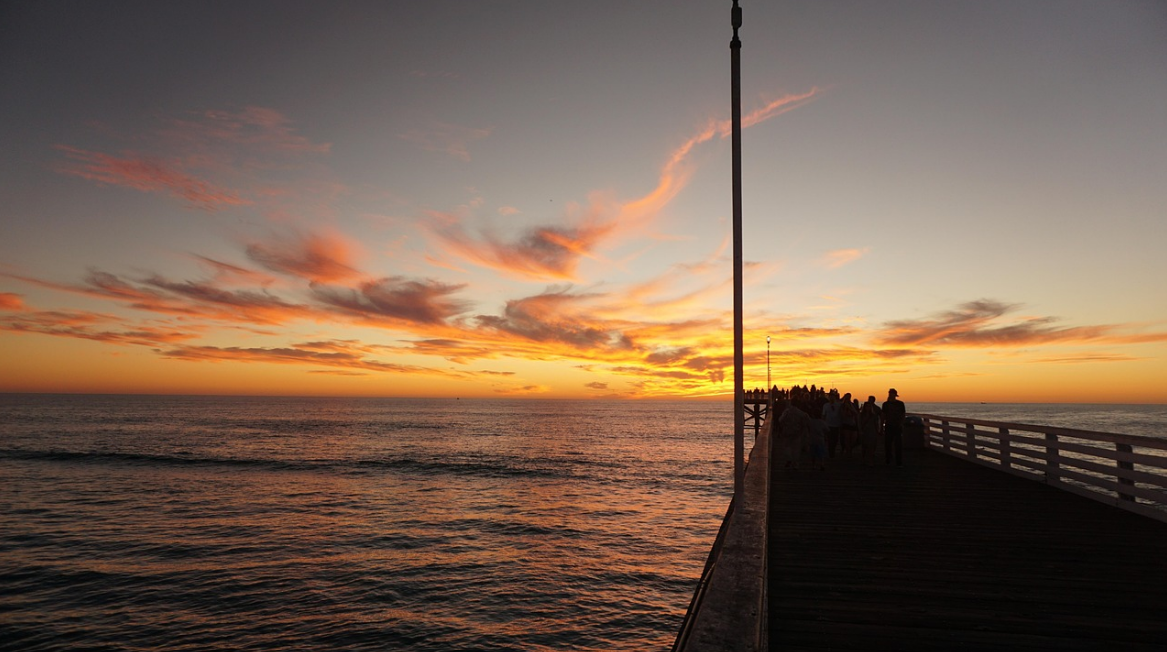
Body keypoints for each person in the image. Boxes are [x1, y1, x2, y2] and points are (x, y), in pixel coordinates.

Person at [882, 388, 906, 466]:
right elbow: (883, 415)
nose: (891, 395)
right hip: (889, 425)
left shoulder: (900, 404)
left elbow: (903, 414)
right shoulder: (885, 404)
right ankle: (888, 459)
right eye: (890, 393)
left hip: (897, 425)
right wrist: (882, 426)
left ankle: (898, 460)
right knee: (888, 443)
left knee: (898, 444)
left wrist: (901, 423)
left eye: (892, 394)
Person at [859, 396, 881, 466]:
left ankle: (870, 460)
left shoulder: (874, 415)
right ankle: (864, 459)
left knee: (871, 446)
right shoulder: (861, 415)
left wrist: (878, 431)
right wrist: (860, 431)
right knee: (864, 446)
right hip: (864, 432)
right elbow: (859, 423)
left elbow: (876, 423)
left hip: (872, 432)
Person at [821, 393, 842, 458]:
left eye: (833, 397)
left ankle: (832, 450)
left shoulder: (838, 405)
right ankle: (831, 452)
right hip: (828, 424)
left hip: (836, 425)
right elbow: (823, 415)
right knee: (829, 439)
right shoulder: (826, 405)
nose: (831, 398)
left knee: (835, 439)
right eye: (830, 397)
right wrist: (823, 423)